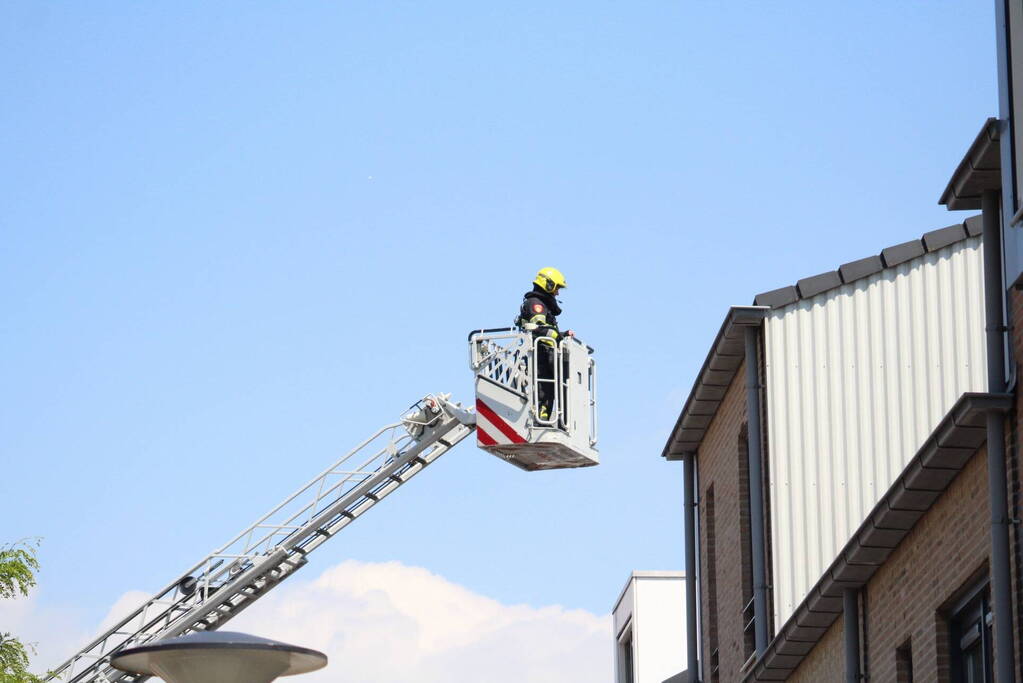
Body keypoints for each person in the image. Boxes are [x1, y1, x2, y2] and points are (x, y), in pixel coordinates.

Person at [516, 267, 572, 421]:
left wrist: (563, 335)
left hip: (543, 353)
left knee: (550, 389)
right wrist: (558, 338)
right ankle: (541, 419)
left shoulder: (541, 304)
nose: (557, 293)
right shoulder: (536, 304)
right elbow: (538, 329)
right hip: (539, 355)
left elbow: (547, 331)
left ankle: (546, 419)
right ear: (547, 285)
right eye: (556, 288)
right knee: (544, 389)